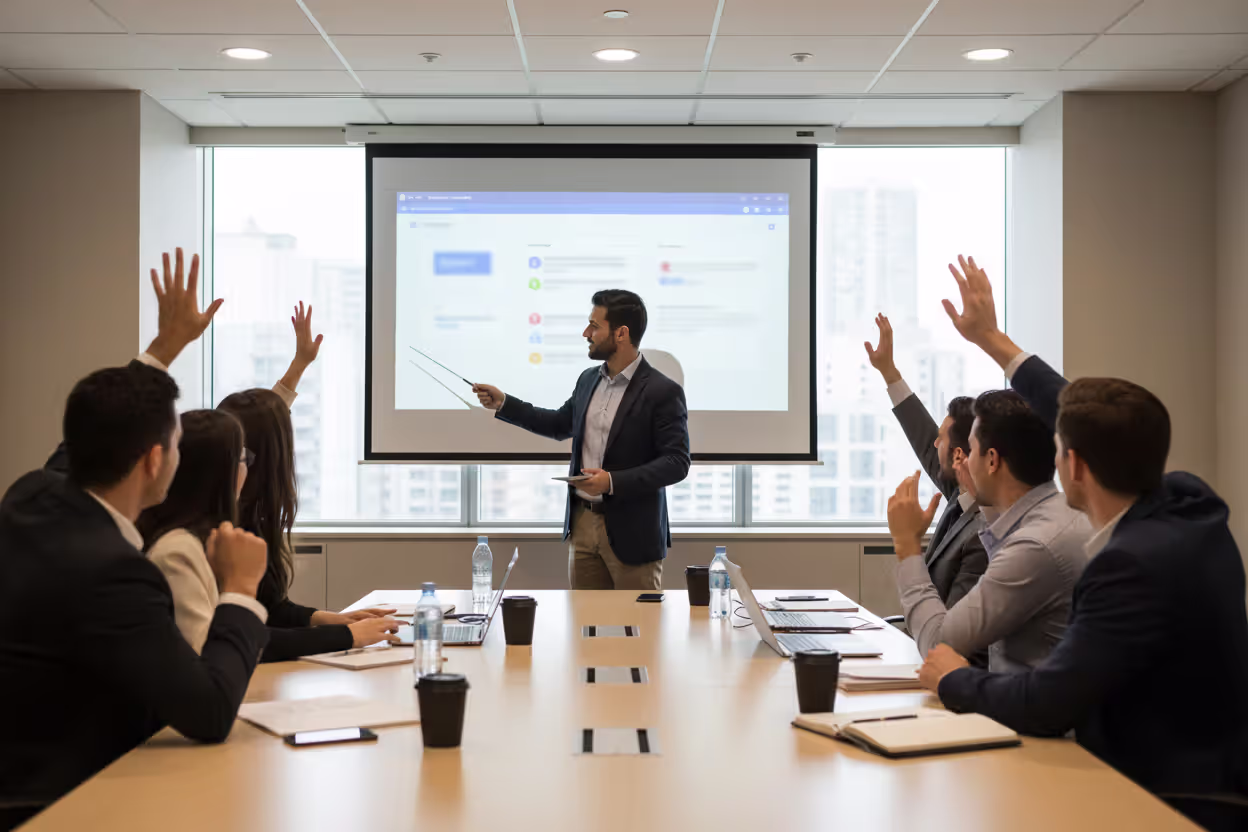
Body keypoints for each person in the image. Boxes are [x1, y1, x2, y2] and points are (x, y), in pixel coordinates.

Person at [919, 256, 1248, 830]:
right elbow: (1083, 411)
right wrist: (993, 341)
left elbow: (1048, 703)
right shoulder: (1190, 503)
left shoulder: (1128, 567)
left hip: (1168, 800)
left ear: (1071, 464)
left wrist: (952, 678)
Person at [0, 250, 269, 829]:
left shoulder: (29, 496)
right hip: (72, 803)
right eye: (175, 443)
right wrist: (241, 590)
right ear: (154, 461)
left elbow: (82, 442)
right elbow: (210, 711)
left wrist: (163, 348)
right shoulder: (117, 576)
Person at [137, 410, 399, 660]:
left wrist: (339, 628)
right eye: (243, 458)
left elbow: (245, 635)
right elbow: (216, 647)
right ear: (221, 472)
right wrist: (345, 636)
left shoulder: (201, 539)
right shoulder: (179, 551)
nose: (248, 470)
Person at [473, 290, 690, 590]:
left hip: (634, 532)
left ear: (622, 333)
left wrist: (611, 481)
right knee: (586, 628)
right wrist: (504, 403)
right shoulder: (588, 379)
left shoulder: (662, 391)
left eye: (594, 326)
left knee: (640, 628)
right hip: (583, 524)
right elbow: (559, 424)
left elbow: (676, 463)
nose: (586, 333)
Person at [216, 302, 395, 634]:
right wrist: (346, 636)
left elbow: (272, 610)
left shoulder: (244, 506)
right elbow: (251, 637)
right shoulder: (222, 532)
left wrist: (335, 618)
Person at [887, 385, 1093, 671]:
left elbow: (938, 643)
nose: (965, 461)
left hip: (1017, 711)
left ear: (992, 460)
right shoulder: (1054, 516)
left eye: (972, 451)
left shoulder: (1034, 546)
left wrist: (906, 546)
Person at [864, 314, 989, 639]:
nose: (934, 444)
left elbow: (951, 638)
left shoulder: (985, 531)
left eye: (942, 438)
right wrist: (889, 372)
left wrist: (907, 543)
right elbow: (922, 435)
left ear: (961, 455)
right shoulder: (961, 494)